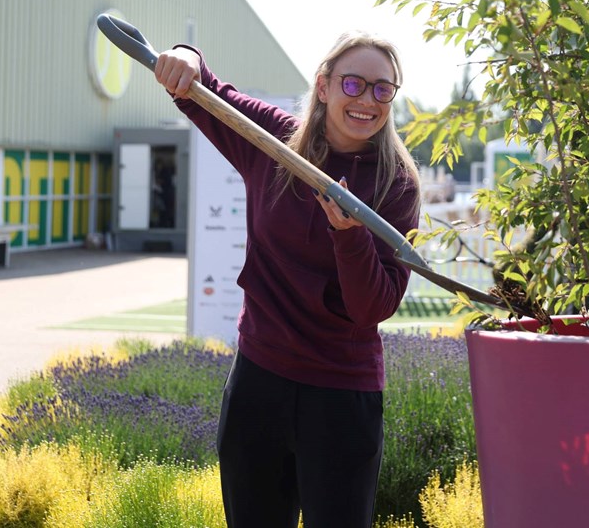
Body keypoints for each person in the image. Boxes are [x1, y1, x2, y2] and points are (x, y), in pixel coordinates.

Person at [154, 32, 421, 528]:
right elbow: (205, 90)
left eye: (383, 89)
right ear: (323, 87)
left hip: (343, 397)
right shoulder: (274, 142)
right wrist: (185, 56)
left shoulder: (395, 184)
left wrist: (350, 237)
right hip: (260, 383)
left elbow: (374, 307)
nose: (367, 100)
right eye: (353, 84)